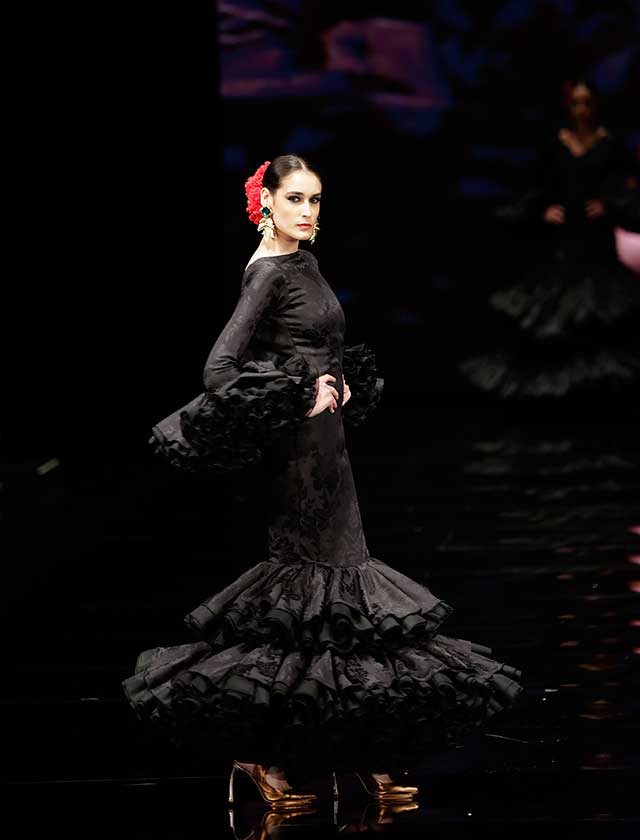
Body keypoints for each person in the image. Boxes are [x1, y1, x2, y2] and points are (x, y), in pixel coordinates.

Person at [121, 154, 524, 808]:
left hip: (329, 449)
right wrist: (299, 395)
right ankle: (266, 756)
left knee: (339, 605)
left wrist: (335, 381)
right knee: (312, 596)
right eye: (295, 199)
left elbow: (309, 347)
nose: (308, 211)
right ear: (266, 203)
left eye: (315, 200)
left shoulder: (304, 262)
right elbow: (221, 369)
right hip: (298, 457)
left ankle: (346, 756)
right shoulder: (266, 273)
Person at [459, 79, 640, 399]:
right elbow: (538, 184)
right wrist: (543, 210)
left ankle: (599, 394)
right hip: (561, 240)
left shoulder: (610, 144)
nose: (582, 110)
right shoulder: (555, 144)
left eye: (588, 102)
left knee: (598, 312)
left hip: (595, 239)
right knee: (555, 311)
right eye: (576, 103)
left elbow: (627, 186)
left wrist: (609, 205)